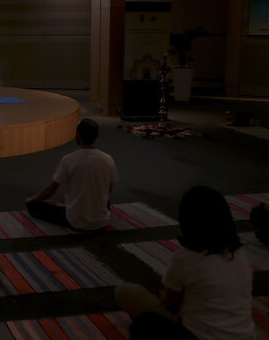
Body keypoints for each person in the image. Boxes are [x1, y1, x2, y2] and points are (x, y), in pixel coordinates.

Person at [115, 186, 255, 340]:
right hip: (246, 336)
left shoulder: (185, 260)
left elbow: (169, 303)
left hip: (196, 336)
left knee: (126, 293)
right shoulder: (240, 254)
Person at [25, 118, 118, 230]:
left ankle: (68, 209)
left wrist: (32, 199)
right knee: (104, 201)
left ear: (78, 136)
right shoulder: (108, 159)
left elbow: (50, 190)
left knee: (33, 206)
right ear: (96, 136)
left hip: (76, 221)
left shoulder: (69, 160)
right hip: (102, 221)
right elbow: (108, 190)